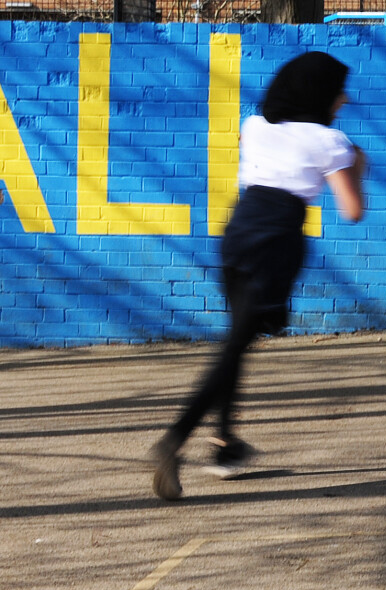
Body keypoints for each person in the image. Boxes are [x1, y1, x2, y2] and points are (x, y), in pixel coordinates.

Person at [147, 51, 367, 501]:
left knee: (237, 341)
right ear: (320, 93)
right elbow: (352, 210)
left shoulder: (255, 126)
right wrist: (358, 168)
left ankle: (225, 444)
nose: (344, 99)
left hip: (238, 232)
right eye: (339, 90)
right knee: (234, 346)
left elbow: (264, 154)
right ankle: (173, 440)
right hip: (276, 242)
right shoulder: (330, 142)